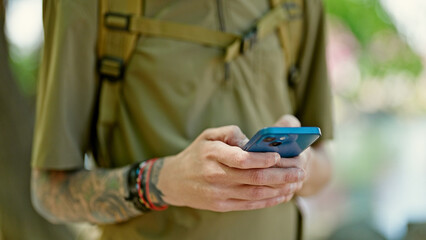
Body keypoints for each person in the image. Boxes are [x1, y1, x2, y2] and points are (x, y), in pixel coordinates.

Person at [31, 0, 333, 239]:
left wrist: (300, 167)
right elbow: (49, 191)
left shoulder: (301, 6)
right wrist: (163, 181)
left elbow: (325, 165)